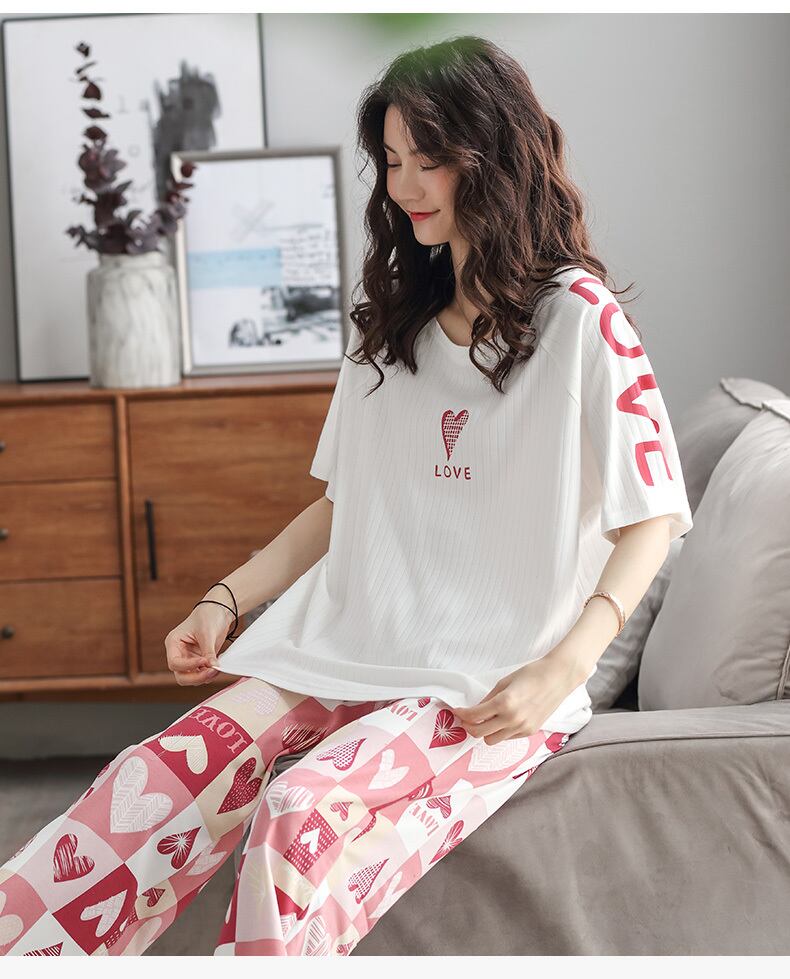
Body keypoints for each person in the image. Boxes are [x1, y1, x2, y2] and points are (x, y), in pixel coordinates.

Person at [0, 35, 693, 957]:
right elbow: (343, 506)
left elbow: (653, 516)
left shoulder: (581, 319)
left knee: (299, 811)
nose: (404, 187)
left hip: (483, 674)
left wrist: (564, 667)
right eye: (392, 162)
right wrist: (225, 599)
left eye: (427, 159)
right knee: (151, 780)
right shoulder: (393, 326)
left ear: (492, 154)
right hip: (348, 643)